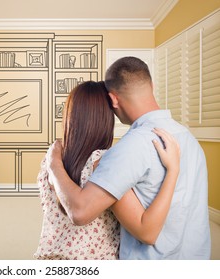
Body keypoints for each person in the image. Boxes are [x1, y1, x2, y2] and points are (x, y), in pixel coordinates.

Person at [47, 57, 211, 259]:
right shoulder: (188, 138)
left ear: (113, 99)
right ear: (151, 85)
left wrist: (54, 163)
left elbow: (80, 212)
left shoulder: (130, 148)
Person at [34, 80, 180, 260]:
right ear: (105, 118)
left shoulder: (52, 157)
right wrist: (173, 170)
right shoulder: (103, 163)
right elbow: (147, 231)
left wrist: (54, 164)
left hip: (52, 258)